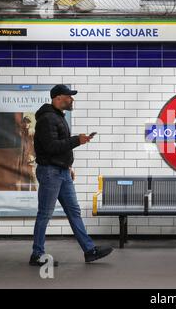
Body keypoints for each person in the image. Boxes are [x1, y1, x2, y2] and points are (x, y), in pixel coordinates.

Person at [29, 84, 113, 266]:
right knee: (45, 213)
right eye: (69, 96)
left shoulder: (57, 117)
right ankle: (37, 254)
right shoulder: (47, 119)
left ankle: (89, 250)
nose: (72, 99)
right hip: (51, 173)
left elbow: (57, 146)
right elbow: (51, 147)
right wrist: (77, 140)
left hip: (61, 172)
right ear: (58, 98)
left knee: (74, 211)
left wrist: (67, 166)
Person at [15, 115, 37, 191]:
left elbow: (37, 145)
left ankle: (35, 195)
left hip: (30, 160)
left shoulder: (32, 131)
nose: (26, 123)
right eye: (25, 122)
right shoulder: (23, 133)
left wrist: (34, 157)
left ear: (30, 123)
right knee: (25, 180)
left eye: (28, 122)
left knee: (33, 178)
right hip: (23, 160)